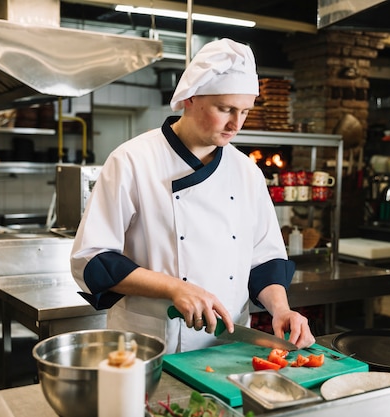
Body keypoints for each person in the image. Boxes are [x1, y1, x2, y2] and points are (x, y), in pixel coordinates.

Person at [70, 38, 315, 353]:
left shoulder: (246, 171)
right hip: (152, 343)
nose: (235, 124)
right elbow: (93, 259)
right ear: (190, 98)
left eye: (244, 111)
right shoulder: (132, 160)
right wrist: (175, 288)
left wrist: (281, 309)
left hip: (229, 342)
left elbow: (264, 259)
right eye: (225, 109)